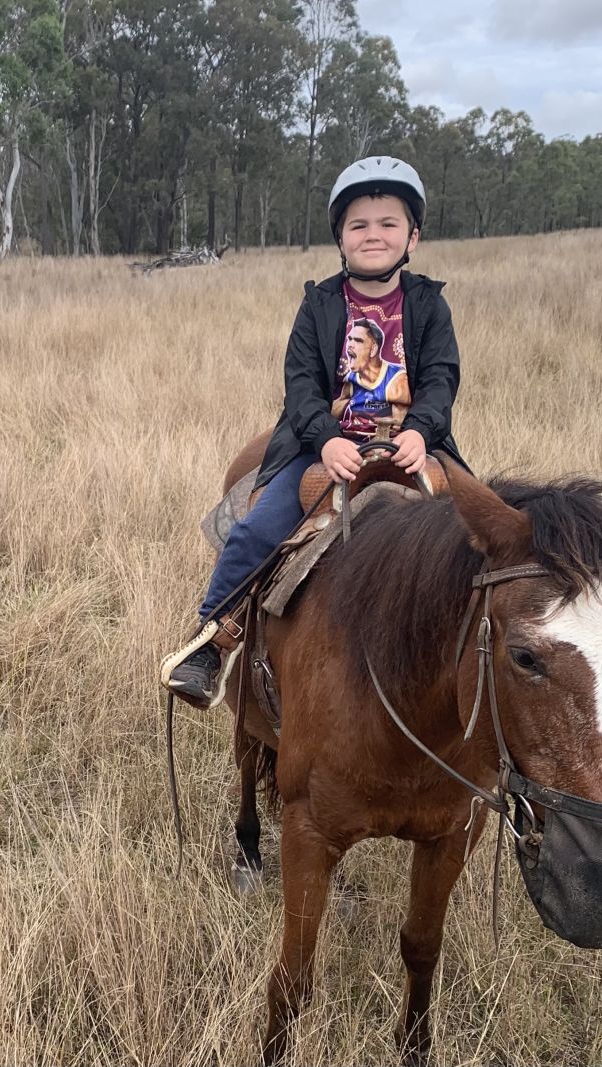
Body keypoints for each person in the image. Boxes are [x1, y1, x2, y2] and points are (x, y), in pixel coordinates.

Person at [164, 155, 467, 707]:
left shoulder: (428, 304)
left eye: (388, 223)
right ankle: (212, 642)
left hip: (411, 446)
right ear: (341, 238)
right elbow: (301, 384)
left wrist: (422, 431)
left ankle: (479, 664)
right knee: (258, 531)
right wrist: (326, 438)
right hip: (324, 446)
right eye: (359, 224)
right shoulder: (321, 304)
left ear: (413, 236)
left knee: (486, 533)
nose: (373, 234)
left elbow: (442, 378)